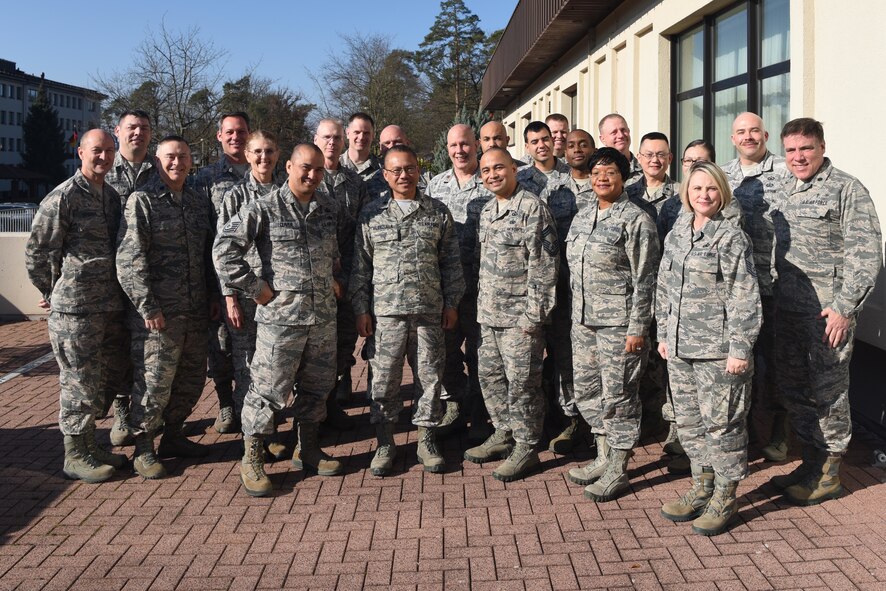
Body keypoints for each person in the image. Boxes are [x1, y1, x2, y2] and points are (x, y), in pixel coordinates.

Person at [214, 144, 349, 496]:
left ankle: (308, 448)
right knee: (268, 391)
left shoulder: (328, 208)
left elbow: (334, 255)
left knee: (317, 386)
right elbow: (223, 250)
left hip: (321, 318)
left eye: (319, 170)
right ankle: (252, 457)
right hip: (281, 320)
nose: (312, 176)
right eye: (305, 168)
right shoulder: (263, 208)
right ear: (288, 166)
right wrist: (255, 288)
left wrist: (334, 281)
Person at [769, 118, 882, 505]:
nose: (798, 157)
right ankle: (811, 462)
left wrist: (844, 309)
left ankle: (830, 473)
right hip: (787, 312)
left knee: (828, 394)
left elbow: (865, 255)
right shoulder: (783, 187)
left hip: (827, 316)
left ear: (821, 147)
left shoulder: (846, 189)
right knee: (795, 390)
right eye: (791, 151)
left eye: (806, 149)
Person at [656, 161, 761, 536]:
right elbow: (664, 287)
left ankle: (726, 495)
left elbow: (744, 296)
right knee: (689, 422)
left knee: (723, 425)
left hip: (718, 351)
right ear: (687, 192)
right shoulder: (677, 232)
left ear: (722, 194)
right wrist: (663, 334)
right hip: (681, 348)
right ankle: (703, 487)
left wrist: (740, 348)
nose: (704, 195)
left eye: (711, 189)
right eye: (697, 188)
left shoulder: (731, 238)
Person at [349, 145, 464, 476]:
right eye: (396, 170)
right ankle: (385, 442)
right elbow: (361, 267)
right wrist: (361, 309)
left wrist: (452, 303)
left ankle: (426, 440)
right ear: (385, 175)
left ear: (419, 170)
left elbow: (451, 263)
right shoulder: (372, 214)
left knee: (429, 379)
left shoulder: (437, 212)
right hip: (386, 315)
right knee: (383, 381)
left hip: (429, 313)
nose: (404, 175)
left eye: (410, 168)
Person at [25, 129, 129, 483]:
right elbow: (38, 252)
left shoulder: (111, 197)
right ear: (81, 152)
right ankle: (74, 454)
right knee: (78, 382)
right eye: (97, 151)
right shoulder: (63, 198)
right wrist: (54, 291)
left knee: (100, 381)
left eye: (109, 151)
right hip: (75, 310)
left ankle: (90, 446)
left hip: (108, 307)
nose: (104, 157)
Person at [117, 136, 215, 479]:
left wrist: (214, 298)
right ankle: (144, 448)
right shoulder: (141, 201)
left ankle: (174, 435)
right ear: (157, 162)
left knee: (189, 379)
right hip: (158, 315)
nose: (177, 163)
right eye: (170, 157)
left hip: (195, 309)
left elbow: (207, 257)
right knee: (153, 382)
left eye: (184, 157)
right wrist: (148, 307)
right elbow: (130, 261)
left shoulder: (197, 201)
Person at [565, 147, 660, 502]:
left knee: (620, 395)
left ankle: (619, 467)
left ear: (624, 177)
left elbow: (646, 278)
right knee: (588, 392)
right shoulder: (582, 216)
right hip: (584, 322)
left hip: (619, 325)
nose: (602, 178)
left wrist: (638, 328)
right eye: (596, 172)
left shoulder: (637, 220)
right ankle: (603, 456)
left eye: (610, 172)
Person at [464, 147, 559, 481]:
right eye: (486, 170)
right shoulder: (488, 210)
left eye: (499, 168)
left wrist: (534, 317)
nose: (492, 175)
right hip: (489, 316)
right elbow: (480, 264)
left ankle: (527, 445)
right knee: (489, 378)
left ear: (514, 169)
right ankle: (505, 432)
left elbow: (544, 267)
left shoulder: (532, 209)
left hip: (520, 319)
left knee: (523, 385)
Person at [722, 112, 792, 462]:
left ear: (765, 134)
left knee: (778, 362)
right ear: (732, 139)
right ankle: (745, 427)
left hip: (778, 284)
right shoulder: (722, 176)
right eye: (740, 132)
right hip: (735, 290)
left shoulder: (786, 170)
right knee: (739, 360)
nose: (748, 137)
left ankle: (780, 430)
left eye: (753, 131)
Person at [516, 121, 582, 454]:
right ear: (526, 146)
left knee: (564, 353)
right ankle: (536, 419)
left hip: (568, 281)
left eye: (545, 139)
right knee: (528, 356)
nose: (541, 145)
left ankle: (569, 415)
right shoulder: (519, 180)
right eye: (534, 141)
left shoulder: (572, 177)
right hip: (527, 284)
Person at [426, 124, 494, 440]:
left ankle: (481, 410)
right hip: (447, 290)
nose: (459, 151)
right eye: (454, 145)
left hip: (484, 288)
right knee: (447, 351)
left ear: (476, 146)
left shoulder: (492, 181)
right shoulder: (435, 185)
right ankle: (454, 403)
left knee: (482, 354)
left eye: (465, 144)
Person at [217, 130, 284, 445]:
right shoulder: (236, 197)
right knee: (248, 368)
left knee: (277, 366)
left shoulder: (288, 191)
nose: (263, 158)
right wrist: (230, 295)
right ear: (247, 155)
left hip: (282, 297)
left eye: (269, 151)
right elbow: (223, 248)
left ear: (277, 154)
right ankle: (251, 437)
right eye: (257, 151)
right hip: (248, 295)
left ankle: (270, 430)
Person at [625, 132, 682, 466]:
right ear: (640, 157)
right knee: (641, 358)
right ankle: (649, 415)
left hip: (673, 290)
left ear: (669, 158)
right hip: (637, 290)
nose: (654, 160)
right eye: (648, 154)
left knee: (670, 360)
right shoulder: (629, 194)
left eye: (661, 155)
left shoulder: (683, 194)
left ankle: (675, 425)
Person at [103, 109, 159, 447]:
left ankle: (150, 415)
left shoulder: (160, 171)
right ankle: (122, 411)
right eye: (131, 127)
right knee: (117, 350)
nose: (137, 133)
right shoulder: (103, 170)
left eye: (144, 128)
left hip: (152, 278)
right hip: (108, 280)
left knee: (147, 351)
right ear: (118, 131)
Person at [196, 111, 251, 435]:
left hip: (257, 280)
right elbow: (204, 236)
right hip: (220, 279)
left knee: (253, 351)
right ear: (219, 136)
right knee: (220, 348)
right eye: (229, 132)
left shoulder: (265, 173)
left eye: (241, 131)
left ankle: (253, 407)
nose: (235, 137)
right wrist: (212, 288)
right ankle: (226, 405)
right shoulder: (207, 178)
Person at [314, 118, 367, 426]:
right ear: (316, 139)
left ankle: (332, 403)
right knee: (314, 350)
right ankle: (312, 414)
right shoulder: (304, 176)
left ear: (344, 141)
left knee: (342, 344)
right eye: (326, 137)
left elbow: (361, 234)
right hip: (313, 281)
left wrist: (350, 278)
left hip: (346, 278)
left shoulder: (355, 183)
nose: (332, 143)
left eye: (336, 137)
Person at [597, 114, 643, 185]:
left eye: (623, 130)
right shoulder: (595, 173)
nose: (621, 135)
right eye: (614, 132)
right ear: (603, 139)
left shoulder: (646, 171)